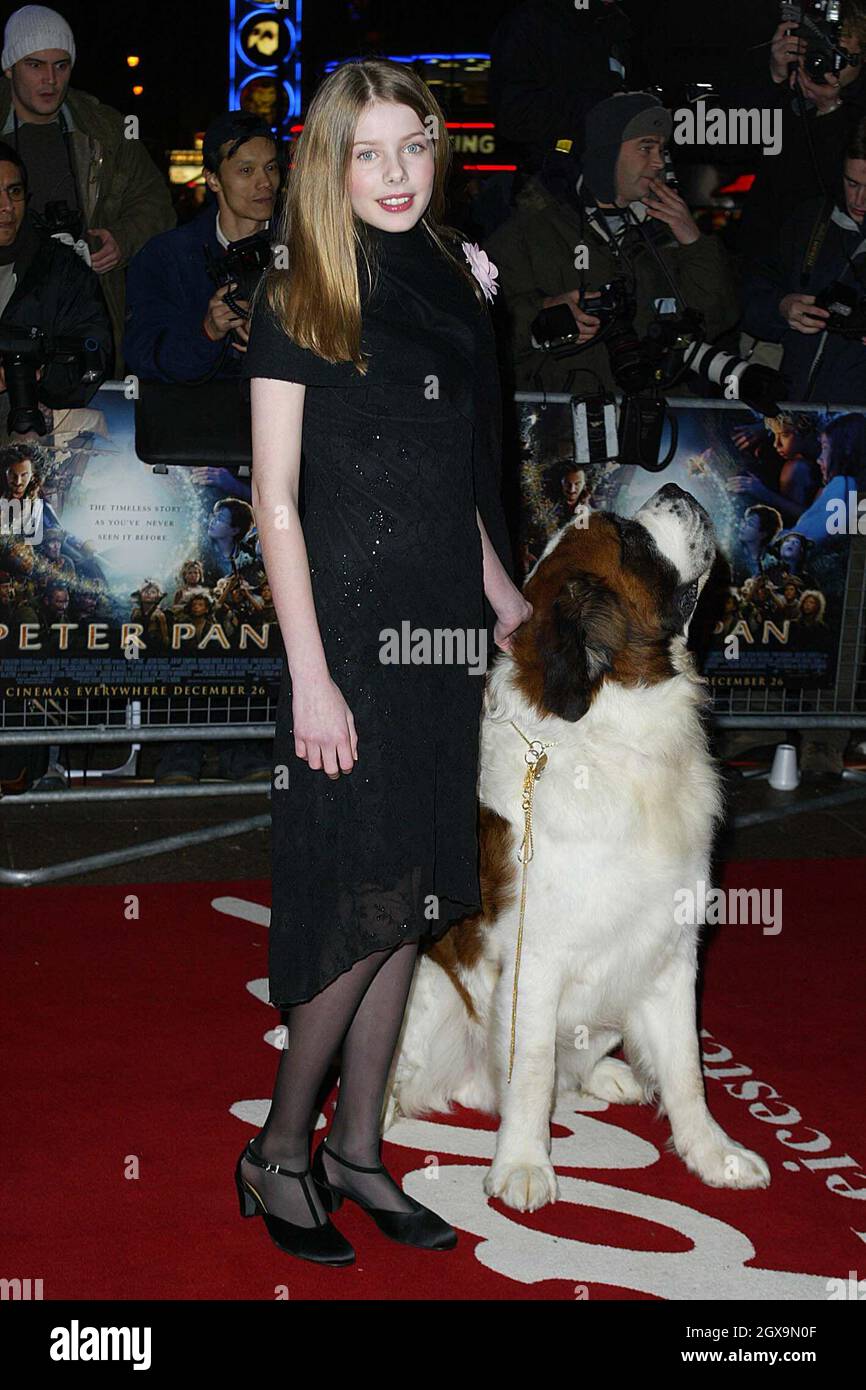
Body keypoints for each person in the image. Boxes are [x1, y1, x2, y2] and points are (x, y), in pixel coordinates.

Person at [238, 57, 530, 1266]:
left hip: (440, 636)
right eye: (367, 151)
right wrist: (310, 673)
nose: (396, 172)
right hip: (345, 638)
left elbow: (453, 479)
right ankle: (276, 1152)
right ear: (328, 164)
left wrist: (504, 600)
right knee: (354, 906)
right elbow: (272, 499)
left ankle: (360, 1149)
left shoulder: (455, 282)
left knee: (410, 898)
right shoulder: (299, 293)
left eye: (413, 145)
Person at [484, 91, 737, 394]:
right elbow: (486, 334)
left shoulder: (664, 231)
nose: (658, 162)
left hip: (653, 422)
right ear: (607, 154)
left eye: (661, 149)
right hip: (563, 427)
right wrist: (544, 315)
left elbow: (715, 320)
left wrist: (694, 242)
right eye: (646, 148)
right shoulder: (528, 232)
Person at [0, 4, 176, 377]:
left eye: (61, 65)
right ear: (9, 67)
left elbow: (157, 202)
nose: (50, 79)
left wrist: (121, 239)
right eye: (35, 65)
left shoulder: (106, 130)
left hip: (83, 315)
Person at [741, 117, 866, 404]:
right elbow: (749, 300)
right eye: (852, 183)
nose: (860, 199)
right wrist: (781, 308)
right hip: (794, 415)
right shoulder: (808, 220)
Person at [0, 140, 111, 434]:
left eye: (15, 192)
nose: (7, 207)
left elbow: (95, 349)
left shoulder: (60, 268)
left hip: (37, 436)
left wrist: (41, 369)